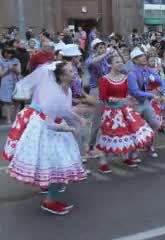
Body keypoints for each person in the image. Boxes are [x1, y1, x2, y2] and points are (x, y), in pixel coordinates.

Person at [4, 62, 87, 215]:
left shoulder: (66, 90)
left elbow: (65, 109)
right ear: (61, 76)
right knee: (57, 166)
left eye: (73, 69)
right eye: (70, 70)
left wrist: (77, 118)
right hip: (46, 130)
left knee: (57, 166)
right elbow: (49, 123)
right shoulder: (53, 94)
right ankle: (49, 201)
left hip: (55, 128)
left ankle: (51, 195)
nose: (74, 72)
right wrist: (69, 128)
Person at [96, 55, 155, 173]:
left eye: (121, 62)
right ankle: (103, 162)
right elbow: (103, 97)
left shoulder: (124, 77)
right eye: (117, 62)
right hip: (110, 111)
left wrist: (129, 98)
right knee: (109, 135)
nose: (120, 64)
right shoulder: (105, 79)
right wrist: (115, 99)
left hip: (124, 109)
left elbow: (126, 93)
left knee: (129, 133)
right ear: (110, 64)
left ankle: (126, 157)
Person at [0, 48, 21, 124]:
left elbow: (19, 72)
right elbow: (1, 74)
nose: (9, 55)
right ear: (4, 53)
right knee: (7, 102)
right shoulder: (1, 61)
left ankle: (17, 118)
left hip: (16, 82)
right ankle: (8, 119)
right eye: (7, 53)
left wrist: (15, 69)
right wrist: (8, 69)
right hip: (5, 82)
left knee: (17, 101)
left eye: (11, 53)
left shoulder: (16, 60)